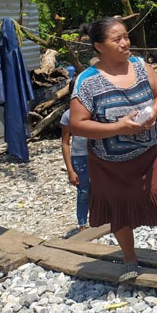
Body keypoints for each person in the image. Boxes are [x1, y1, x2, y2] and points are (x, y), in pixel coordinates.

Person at [69, 17, 157, 281]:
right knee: (119, 207)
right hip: (109, 162)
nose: (125, 43)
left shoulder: (140, 66)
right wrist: (118, 129)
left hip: (150, 153)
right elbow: (77, 125)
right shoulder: (87, 82)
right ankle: (129, 257)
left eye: (126, 37)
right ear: (99, 46)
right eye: (117, 39)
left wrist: (154, 113)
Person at [60, 79, 90, 231]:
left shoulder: (94, 110)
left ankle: (101, 220)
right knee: (83, 192)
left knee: (100, 189)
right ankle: (82, 224)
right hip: (79, 158)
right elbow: (65, 143)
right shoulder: (67, 116)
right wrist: (70, 170)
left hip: (98, 156)